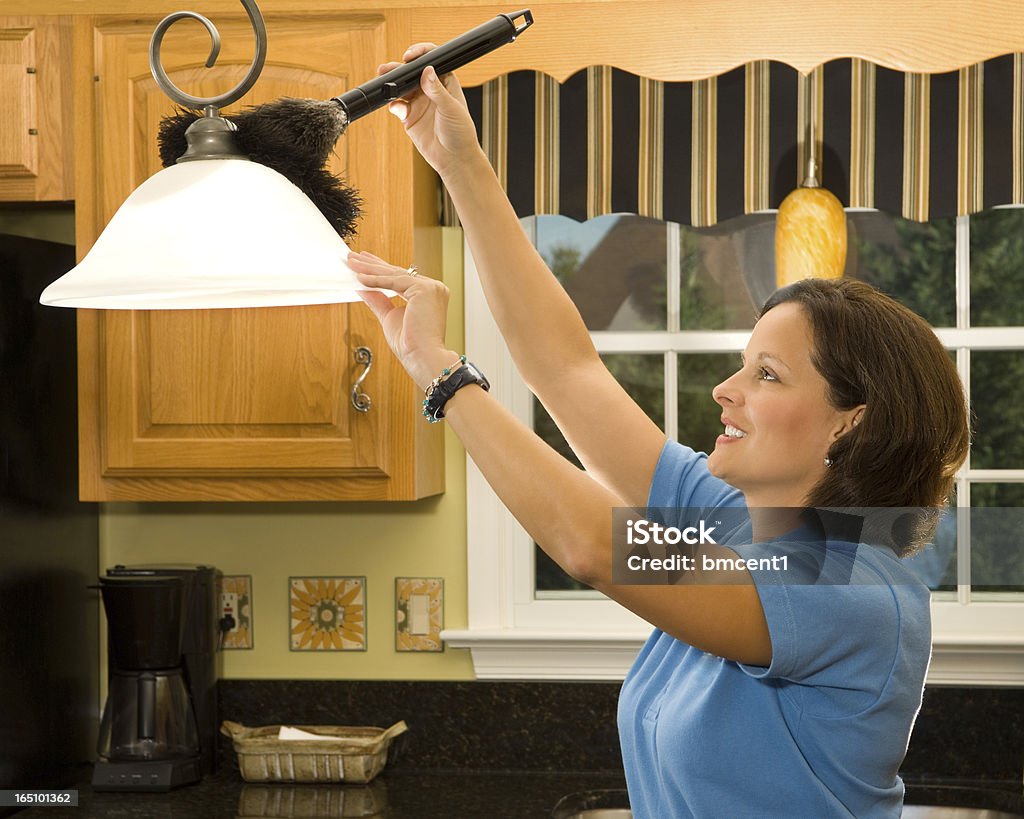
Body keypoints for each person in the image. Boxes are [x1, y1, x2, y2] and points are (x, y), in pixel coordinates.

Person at [347, 49, 971, 819]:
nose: (725, 390)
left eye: (767, 375)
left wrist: (444, 376)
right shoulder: (734, 521)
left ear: (851, 423)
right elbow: (566, 367)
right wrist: (459, 159)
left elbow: (594, 544)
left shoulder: (847, 585)